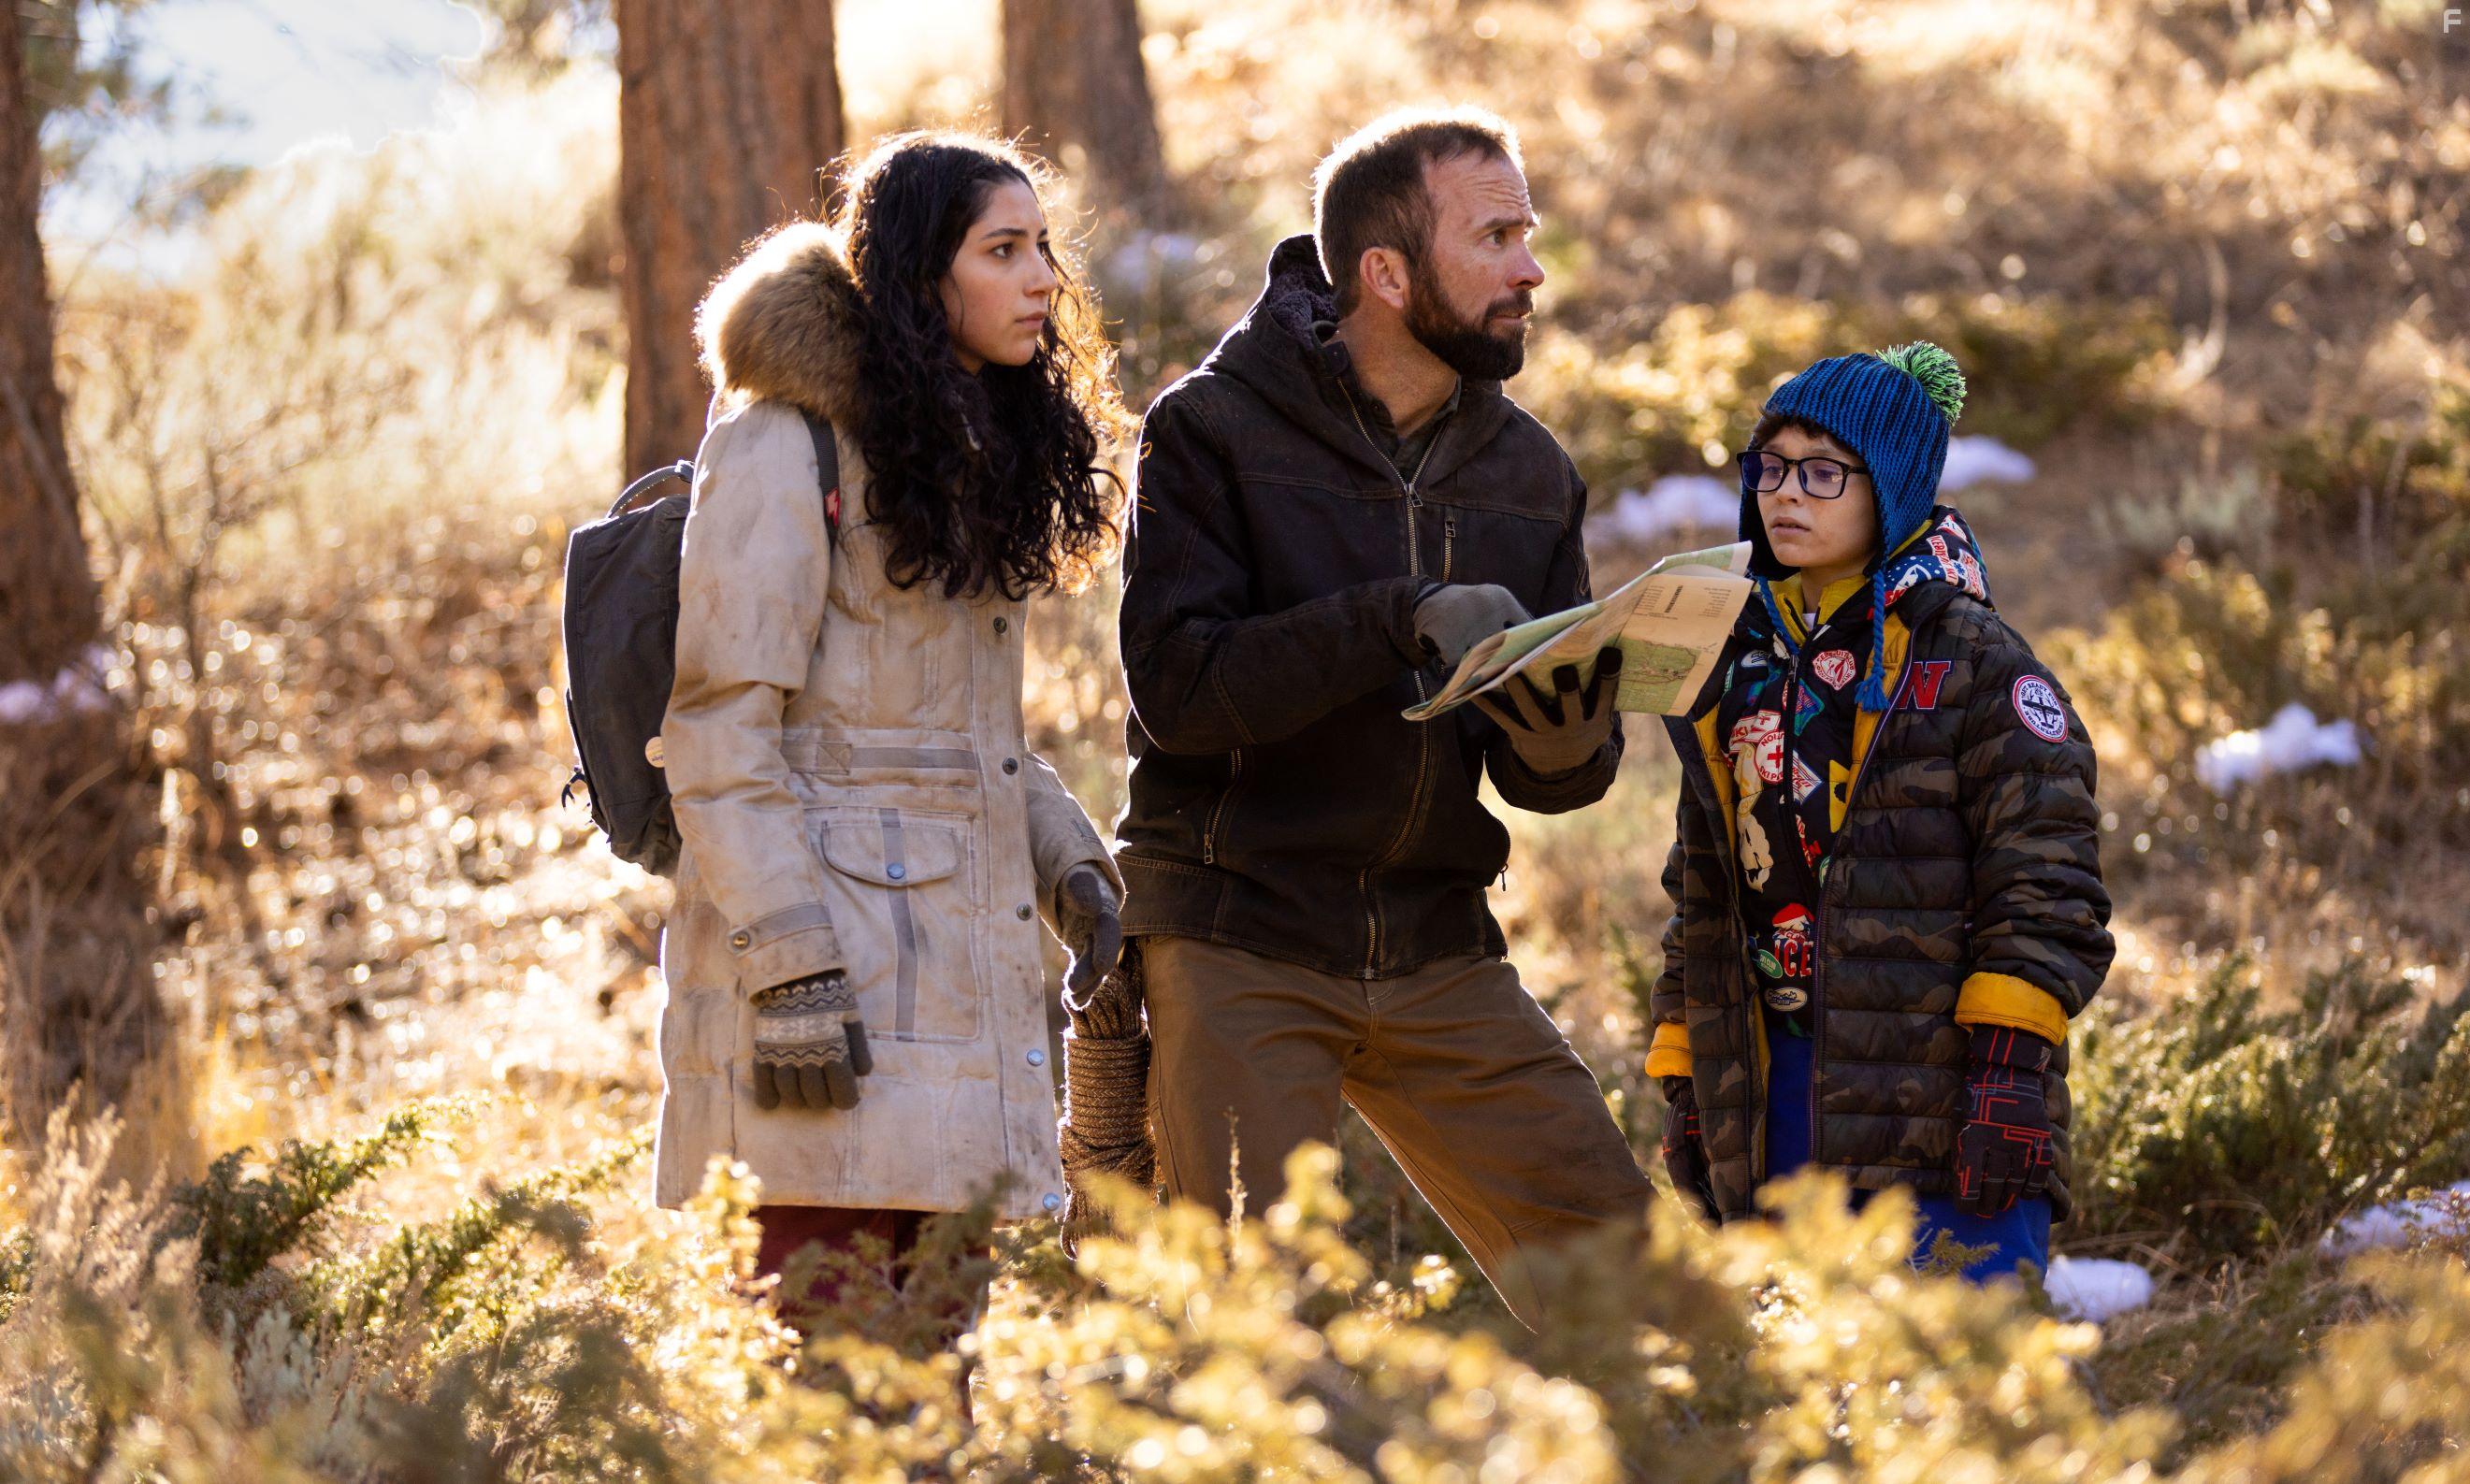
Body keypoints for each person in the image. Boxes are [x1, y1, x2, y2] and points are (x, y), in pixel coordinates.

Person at [1115, 106, 1652, 1328]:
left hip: (1435, 942)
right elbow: (1179, 691)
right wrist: (1395, 617)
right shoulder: (1210, 429)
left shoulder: (1530, 474)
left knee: (1651, 1312)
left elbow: (1553, 783)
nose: (1531, 270)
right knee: (1252, 1339)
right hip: (1238, 931)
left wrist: (1567, 731)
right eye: (1495, 238)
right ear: (1387, 274)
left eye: (1528, 235)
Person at [652, 132, 1129, 1334]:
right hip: (819, 1004)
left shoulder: (953, 455)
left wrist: (1070, 868)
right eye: (1002, 251)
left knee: (932, 1377)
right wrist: (790, 966)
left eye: (1043, 249)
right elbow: (717, 731)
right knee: (830, 1377)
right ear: (923, 274)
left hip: (950, 995)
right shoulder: (783, 442)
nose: (1041, 280)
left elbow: (959, 738)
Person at [1648, 342, 2114, 1280]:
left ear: (1891, 487)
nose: (1786, 493)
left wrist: (2007, 1069)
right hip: (1775, 1083)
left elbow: (2047, 874)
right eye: (1770, 467)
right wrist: (1690, 1075)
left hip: (1937, 1085)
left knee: (1962, 1350)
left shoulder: (1972, 659)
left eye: (1823, 472)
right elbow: (1701, 879)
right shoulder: (1735, 660)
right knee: (1798, 1352)